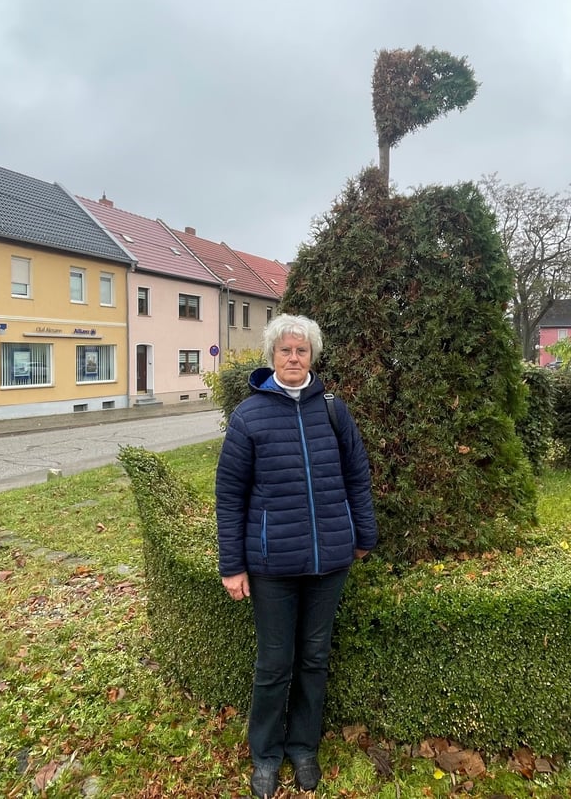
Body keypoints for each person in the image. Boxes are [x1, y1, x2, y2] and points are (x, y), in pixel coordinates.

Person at [216, 313, 378, 798]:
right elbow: (230, 495)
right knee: (273, 665)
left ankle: (303, 747)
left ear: (312, 356)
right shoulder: (249, 416)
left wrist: (362, 534)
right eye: (285, 350)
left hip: (329, 560)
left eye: (301, 350)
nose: (293, 357)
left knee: (314, 658)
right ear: (272, 356)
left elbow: (357, 476)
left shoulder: (333, 409)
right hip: (271, 565)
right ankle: (265, 755)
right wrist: (232, 564)